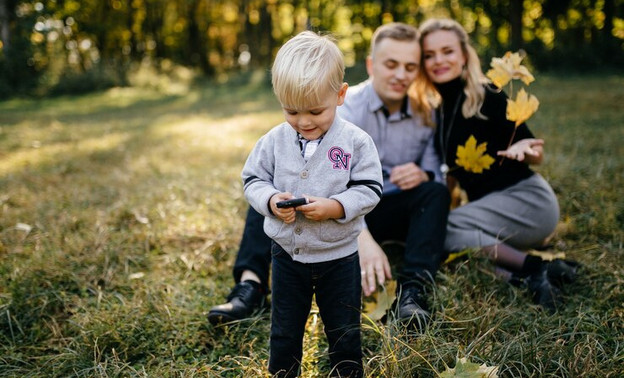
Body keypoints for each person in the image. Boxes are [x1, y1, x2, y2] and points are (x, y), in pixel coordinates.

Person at [209, 23, 450, 329]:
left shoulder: (427, 112)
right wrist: (362, 238)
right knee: (272, 191)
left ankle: (413, 291)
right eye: (391, 64)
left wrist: (425, 173)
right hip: (332, 206)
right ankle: (250, 284)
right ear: (371, 65)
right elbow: (318, 175)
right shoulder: (341, 106)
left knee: (435, 194)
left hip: (390, 204)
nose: (401, 74)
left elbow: (437, 175)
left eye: (410, 66)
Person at [411, 18, 577, 312]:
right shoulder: (439, 110)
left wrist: (525, 150)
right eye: (429, 55)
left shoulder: (488, 95)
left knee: (441, 229)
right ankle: (524, 277)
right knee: (446, 242)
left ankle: (535, 266)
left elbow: (535, 153)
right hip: (492, 212)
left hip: (528, 201)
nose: (439, 60)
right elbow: (451, 177)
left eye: (447, 51)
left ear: (464, 55)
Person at [241, 30, 382, 377]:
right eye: (292, 111)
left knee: (344, 329)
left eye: (315, 111)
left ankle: (347, 372)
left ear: (340, 95)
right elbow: (252, 180)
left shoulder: (355, 142)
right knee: (286, 328)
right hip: (287, 255)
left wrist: (336, 207)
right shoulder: (273, 141)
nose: (304, 122)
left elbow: (370, 188)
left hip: (339, 256)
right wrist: (272, 199)